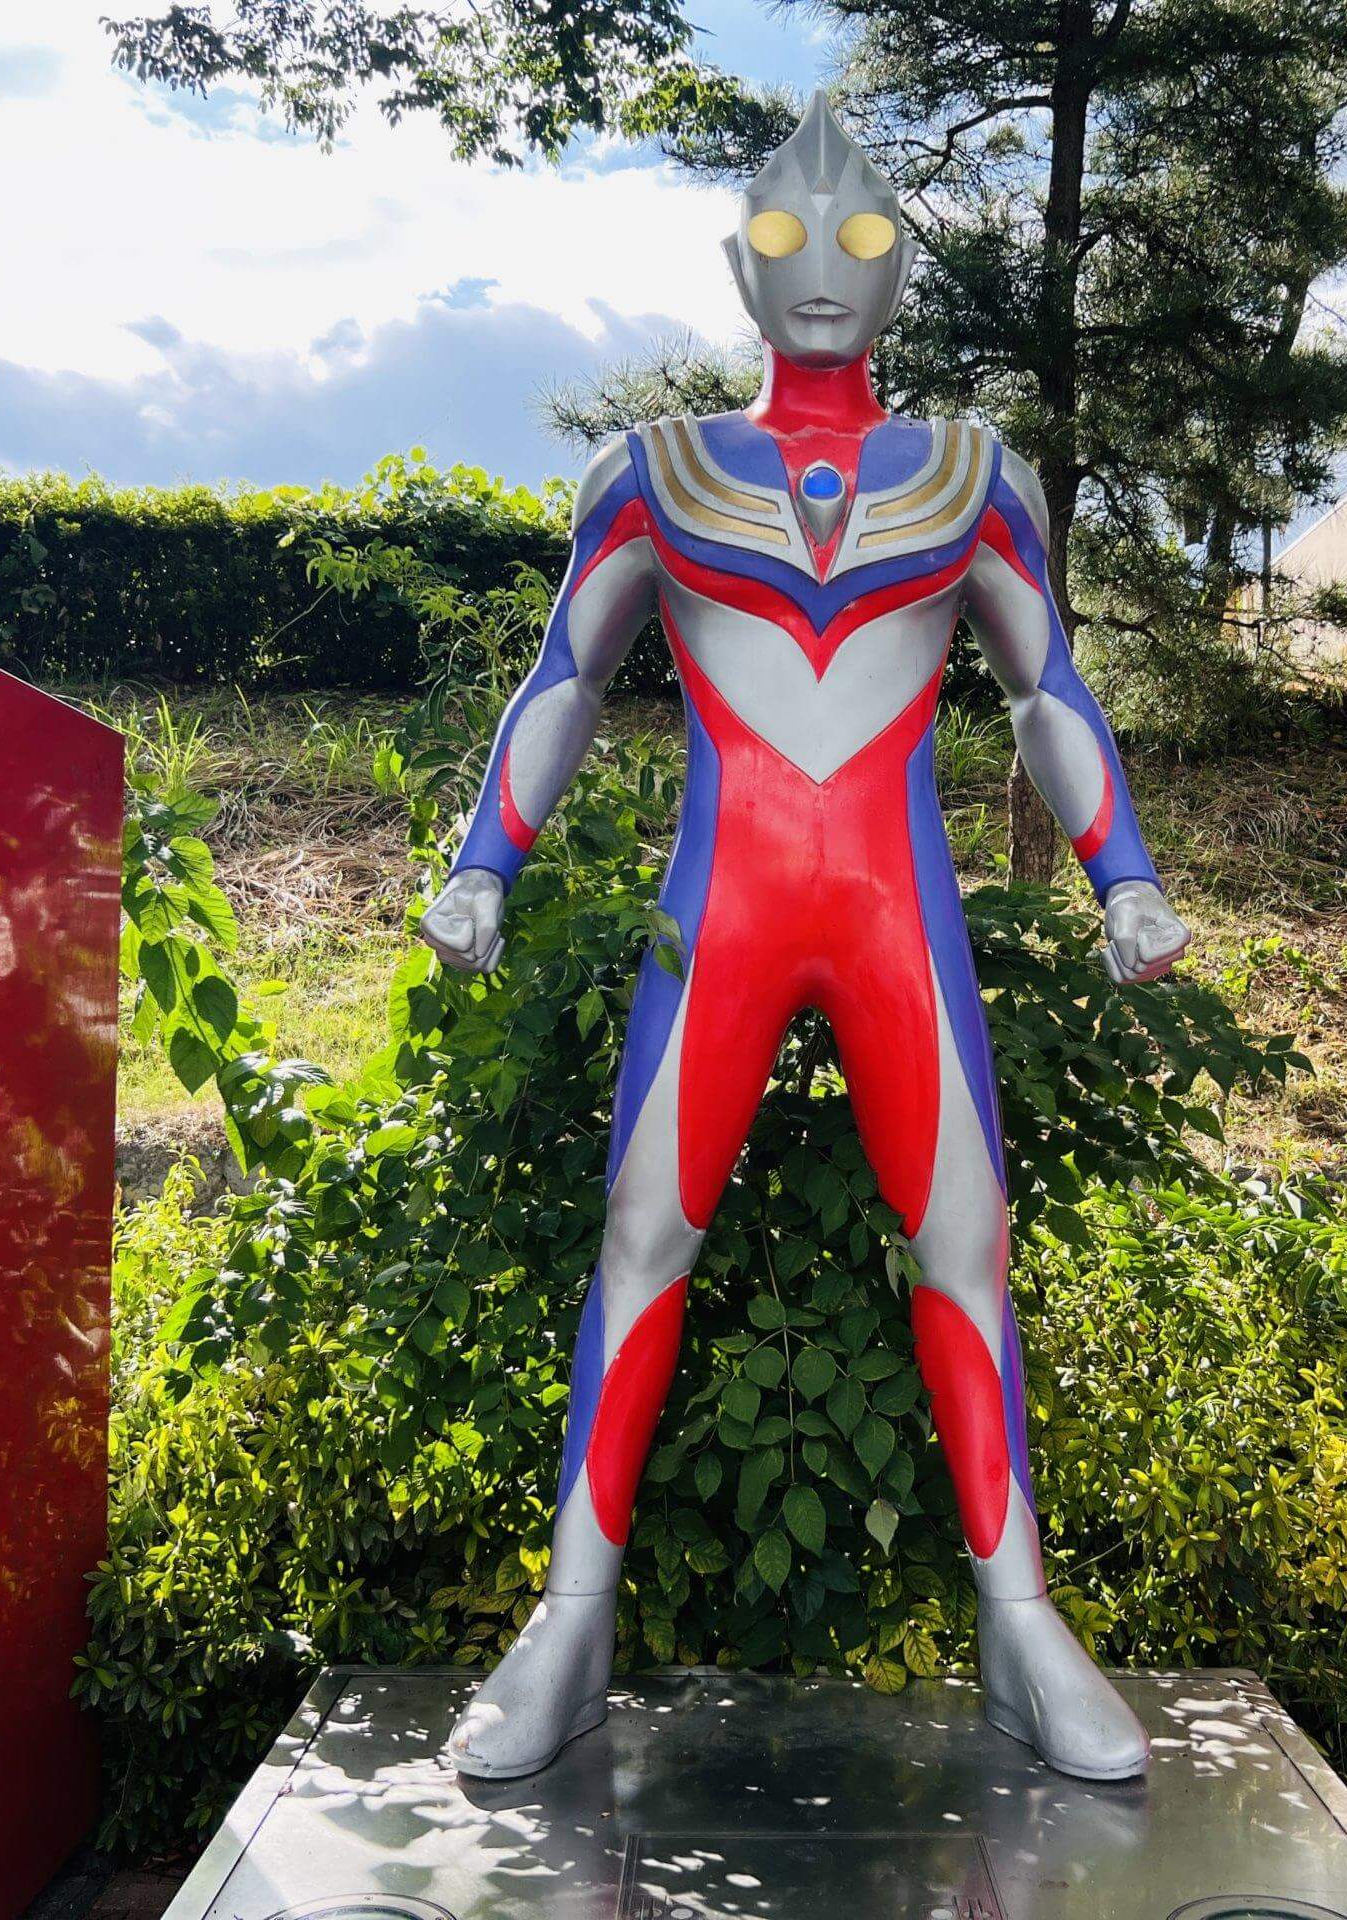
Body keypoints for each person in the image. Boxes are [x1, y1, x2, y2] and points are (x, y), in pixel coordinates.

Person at [419, 91, 1192, 1783]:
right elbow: (565, 676)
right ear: (739, 266)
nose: (822, 264)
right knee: (644, 1237)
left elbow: (1049, 690)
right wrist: (488, 862)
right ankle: (569, 1616)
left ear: (902, 265)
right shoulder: (654, 471)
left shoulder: (976, 476)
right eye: (783, 235)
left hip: (892, 903)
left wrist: (1122, 873)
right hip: (731, 902)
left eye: (858, 236)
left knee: (965, 1244)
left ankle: (1022, 1619)